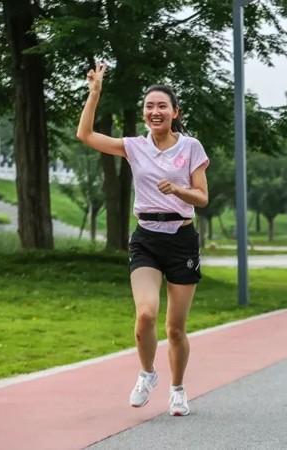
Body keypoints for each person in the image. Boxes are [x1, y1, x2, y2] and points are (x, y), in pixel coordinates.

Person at [76, 63, 209, 417]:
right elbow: (85, 135)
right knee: (146, 314)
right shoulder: (134, 146)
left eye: (162, 106)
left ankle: (177, 389)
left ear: (175, 112)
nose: (155, 111)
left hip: (181, 239)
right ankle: (148, 373)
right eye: (149, 106)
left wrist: (178, 190)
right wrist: (94, 93)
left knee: (175, 328)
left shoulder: (191, 147)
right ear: (144, 113)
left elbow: (202, 197)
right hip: (146, 238)